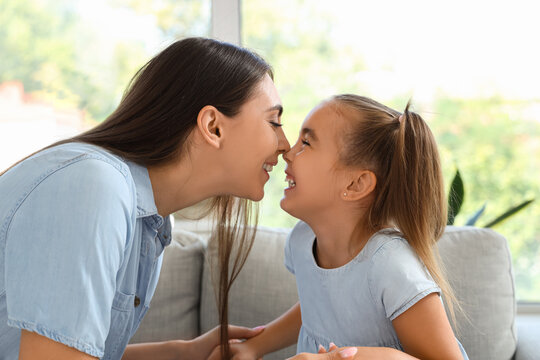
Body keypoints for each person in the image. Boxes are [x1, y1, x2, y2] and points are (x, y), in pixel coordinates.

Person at [0, 37, 291, 360]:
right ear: (213, 126)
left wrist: (181, 353)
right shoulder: (92, 187)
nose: (285, 144)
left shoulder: (150, 222)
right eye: (274, 122)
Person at [218, 95, 470, 359]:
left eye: (306, 143)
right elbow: (320, 306)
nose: (288, 153)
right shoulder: (302, 240)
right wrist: (255, 345)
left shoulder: (390, 265)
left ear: (355, 184)